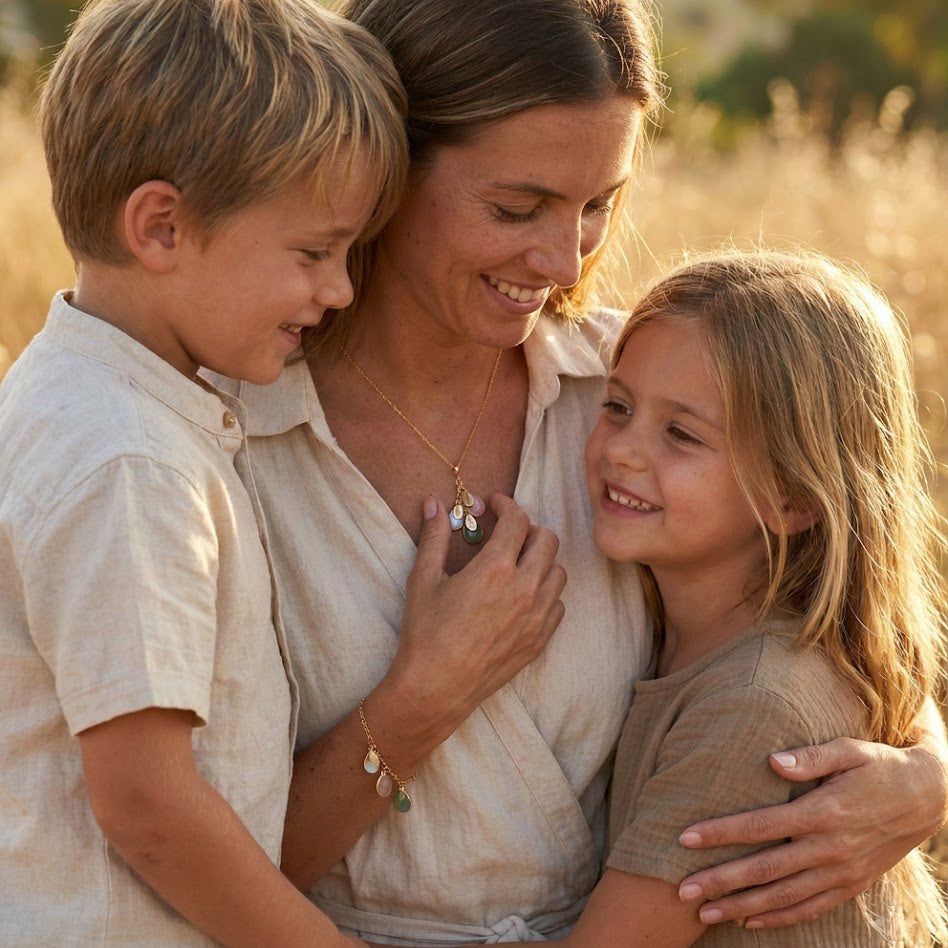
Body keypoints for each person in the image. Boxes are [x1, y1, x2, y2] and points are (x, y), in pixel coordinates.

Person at [215, 0, 948, 943]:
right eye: (516, 207)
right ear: (382, 169)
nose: (563, 259)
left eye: (599, 204)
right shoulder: (236, 433)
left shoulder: (631, 392)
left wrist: (926, 775)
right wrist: (418, 701)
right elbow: (193, 857)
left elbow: (823, 608)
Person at [0, 0, 410, 944]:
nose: (341, 290)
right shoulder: (128, 462)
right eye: (315, 252)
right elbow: (149, 807)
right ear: (162, 229)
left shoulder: (90, 395)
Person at [516, 247, 947, 946]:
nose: (622, 448)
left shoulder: (751, 705)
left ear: (793, 497)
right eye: (618, 406)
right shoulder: (688, 628)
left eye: (680, 434)